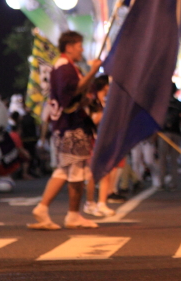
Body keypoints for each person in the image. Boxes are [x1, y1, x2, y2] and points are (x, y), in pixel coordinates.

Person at [30, 31, 101, 230]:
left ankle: (63, 212)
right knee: (74, 171)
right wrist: (93, 72)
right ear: (69, 47)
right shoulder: (64, 66)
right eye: (79, 46)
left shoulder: (66, 66)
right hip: (71, 127)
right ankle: (63, 212)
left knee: (67, 170)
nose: (82, 50)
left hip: (69, 126)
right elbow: (71, 93)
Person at [83, 75, 116, 218]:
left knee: (105, 172)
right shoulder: (93, 102)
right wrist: (105, 113)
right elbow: (94, 120)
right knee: (92, 174)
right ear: (105, 86)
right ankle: (90, 202)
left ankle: (102, 203)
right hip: (92, 141)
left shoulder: (105, 102)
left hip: (104, 140)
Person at [157, 83, 181, 191]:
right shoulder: (178, 104)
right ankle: (172, 183)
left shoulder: (161, 103)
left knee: (163, 159)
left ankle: (162, 182)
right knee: (173, 159)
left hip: (165, 133)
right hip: (174, 132)